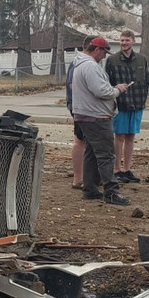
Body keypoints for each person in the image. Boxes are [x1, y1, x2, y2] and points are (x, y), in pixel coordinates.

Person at [71, 37, 131, 205]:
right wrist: (117, 90)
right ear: (97, 49)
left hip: (85, 115)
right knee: (106, 155)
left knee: (91, 153)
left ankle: (90, 189)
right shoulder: (90, 66)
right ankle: (111, 192)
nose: (104, 56)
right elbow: (101, 91)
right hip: (96, 117)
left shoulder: (80, 64)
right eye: (104, 51)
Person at [106, 30, 149, 184]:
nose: (124, 43)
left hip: (137, 104)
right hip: (120, 104)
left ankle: (127, 169)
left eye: (127, 40)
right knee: (119, 136)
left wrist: (143, 99)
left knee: (131, 136)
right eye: (122, 40)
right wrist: (115, 90)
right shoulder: (112, 60)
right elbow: (106, 83)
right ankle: (117, 169)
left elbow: (146, 81)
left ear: (133, 41)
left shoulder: (142, 60)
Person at [66, 35, 95, 189]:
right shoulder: (78, 64)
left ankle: (87, 176)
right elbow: (73, 86)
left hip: (82, 106)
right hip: (80, 107)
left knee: (86, 142)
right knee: (80, 141)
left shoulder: (83, 62)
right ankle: (78, 178)